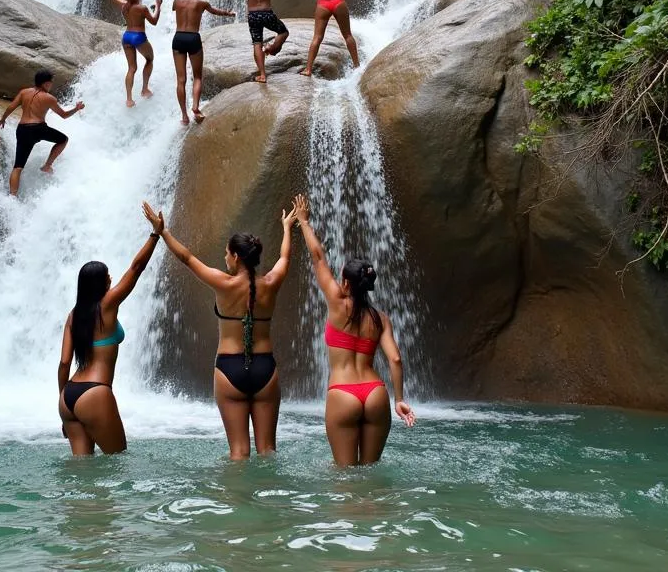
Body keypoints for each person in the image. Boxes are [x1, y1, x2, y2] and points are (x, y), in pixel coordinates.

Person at [142, 199, 294, 459]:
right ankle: (271, 499)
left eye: (226, 253)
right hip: (265, 369)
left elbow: (186, 258)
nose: (225, 258)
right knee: (268, 451)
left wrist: (162, 231)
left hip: (229, 369)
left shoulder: (223, 283)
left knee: (238, 452)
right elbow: (284, 257)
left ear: (236, 256)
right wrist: (288, 227)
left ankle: (237, 500)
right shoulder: (271, 282)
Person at [292, 193, 415, 464]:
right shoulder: (381, 319)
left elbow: (318, 257)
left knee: (345, 477)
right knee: (371, 473)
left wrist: (304, 222)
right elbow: (395, 358)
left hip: (343, 392)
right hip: (375, 394)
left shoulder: (337, 302)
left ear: (346, 283)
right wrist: (399, 399)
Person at [57, 229, 163, 454]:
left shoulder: (73, 316)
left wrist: (62, 402)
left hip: (68, 398)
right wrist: (155, 234)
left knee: (82, 469)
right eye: (107, 277)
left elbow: (65, 363)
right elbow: (136, 268)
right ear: (100, 283)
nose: (111, 279)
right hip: (95, 392)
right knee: (118, 460)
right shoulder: (107, 305)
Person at [0, 70, 84, 195]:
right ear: (46, 84)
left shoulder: (24, 92)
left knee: (18, 167)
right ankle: (47, 165)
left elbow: (11, 107)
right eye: (51, 83)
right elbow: (64, 115)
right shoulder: (49, 98)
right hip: (38, 128)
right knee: (63, 140)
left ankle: (12, 196)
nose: (51, 85)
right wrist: (76, 108)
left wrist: (3, 119)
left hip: (22, 129)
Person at [227, 0, 299, 83]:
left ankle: (262, 75)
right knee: (283, 32)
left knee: (257, 43)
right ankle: (271, 49)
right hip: (266, 13)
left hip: (253, 15)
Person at [172, 0, 235, 126]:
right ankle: (195, 106)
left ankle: (184, 116)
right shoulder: (202, 3)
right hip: (193, 37)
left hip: (178, 37)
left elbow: (174, 9)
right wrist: (229, 13)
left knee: (181, 80)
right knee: (197, 76)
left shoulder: (176, 0)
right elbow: (215, 11)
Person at [113, 0, 162, 107]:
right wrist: (158, 5)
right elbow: (154, 21)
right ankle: (144, 89)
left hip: (127, 36)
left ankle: (129, 99)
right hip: (138, 37)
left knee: (131, 68)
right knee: (149, 60)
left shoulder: (124, 5)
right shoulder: (142, 8)